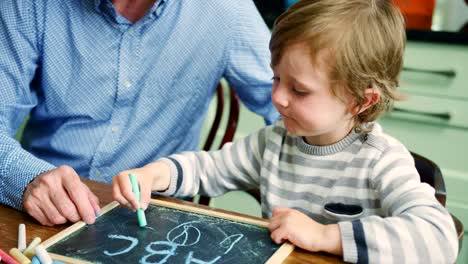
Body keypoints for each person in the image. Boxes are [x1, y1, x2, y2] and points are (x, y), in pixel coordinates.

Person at [112, 0, 459, 262]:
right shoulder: (274, 142)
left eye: (299, 90)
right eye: (276, 78)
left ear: (360, 101)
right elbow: (210, 168)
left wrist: (326, 235)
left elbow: (438, 238)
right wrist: (153, 174)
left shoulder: (381, 160)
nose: (277, 97)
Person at [0, 0, 279, 226]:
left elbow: (302, 111)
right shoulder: (27, 5)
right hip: (43, 215)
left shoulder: (226, 11)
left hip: (153, 223)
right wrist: (26, 177)